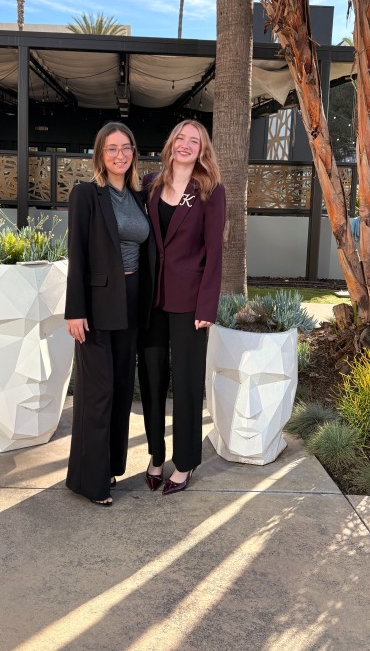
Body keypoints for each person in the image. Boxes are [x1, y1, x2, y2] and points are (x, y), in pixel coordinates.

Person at [65, 122, 154, 506]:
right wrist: (75, 311)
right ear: (100, 154)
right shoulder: (86, 194)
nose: (120, 154)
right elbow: (77, 254)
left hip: (132, 303)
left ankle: (111, 467)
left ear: (134, 152)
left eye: (126, 147)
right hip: (97, 306)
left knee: (120, 389)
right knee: (97, 392)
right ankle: (90, 480)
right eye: (112, 148)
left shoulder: (138, 197)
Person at [138, 119, 225, 495]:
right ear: (171, 143)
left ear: (202, 150)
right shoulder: (149, 184)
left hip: (190, 302)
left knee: (187, 382)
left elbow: (215, 252)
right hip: (151, 300)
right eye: (181, 138)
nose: (186, 145)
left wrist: (207, 305)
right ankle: (156, 456)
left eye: (194, 141)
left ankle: (185, 462)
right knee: (151, 379)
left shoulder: (210, 191)